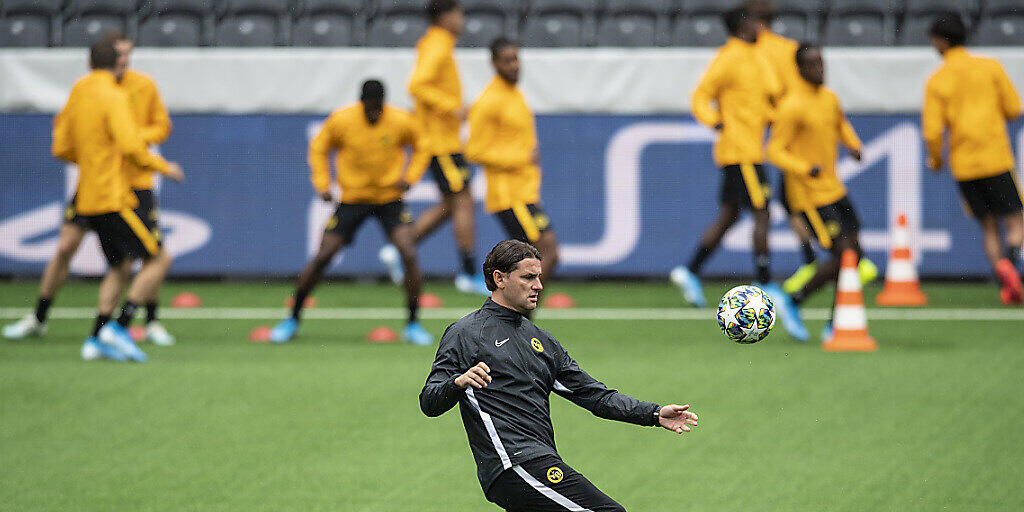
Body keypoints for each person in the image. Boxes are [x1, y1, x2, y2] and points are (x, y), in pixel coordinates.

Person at [420, 240, 699, 511]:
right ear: (499, 278)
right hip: (512, 464)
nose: (539, 285)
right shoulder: (465, 333)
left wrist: (653, 414)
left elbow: (594, 395)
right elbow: (429, 402)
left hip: (535, 460)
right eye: (528, 277)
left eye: (539, 277)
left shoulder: (541, 340)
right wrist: (457, 382)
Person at [3, 32, 177, 345]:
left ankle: (147, 322)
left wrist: (127, 135)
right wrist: (127, 149)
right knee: (125, 253)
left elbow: (161, 127)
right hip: (104, 186)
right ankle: (51, 318)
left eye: (128, 56)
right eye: (121, 55)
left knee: (140, 254)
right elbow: (102, 143)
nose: (125, 61)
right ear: (114, 58)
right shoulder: (97, 91)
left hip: (132, 184)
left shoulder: (141, 85)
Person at [269, 80, 433, 345]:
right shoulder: (342, 120)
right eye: (369, 109)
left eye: (378, 109)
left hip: (389, 198)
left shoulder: (400, 120)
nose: (374, 114)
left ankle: (413, 324)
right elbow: (319, 147)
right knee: (324, 254)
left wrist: (411, 177)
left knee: (409, 251)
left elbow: (422, 144)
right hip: (353, 198)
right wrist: (322, 184)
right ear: (361, 103)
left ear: (383, 103)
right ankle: (292, 318)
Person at [51, 37, 184, 361]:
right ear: (118, 62)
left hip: (86, 198)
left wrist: (93, 159)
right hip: (114, 197)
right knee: (158, 259)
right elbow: (131, 147)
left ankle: (96, 337)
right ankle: (120, 326)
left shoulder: (80, 91)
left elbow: (61, 147)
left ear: (90, 63)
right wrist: (163, 167)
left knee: (119, 266)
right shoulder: (115, 95)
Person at [670, 7, 783, 308]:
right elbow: (700, 95)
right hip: (741, 151)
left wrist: (774, 117)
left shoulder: (754, 56)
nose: (760, 25)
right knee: (763, 213)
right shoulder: (729, 57)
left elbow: (757, 103)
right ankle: (765, 280)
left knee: (730, 215)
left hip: (748, 148)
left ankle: (690, 271)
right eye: (754, 20)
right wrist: (714, 120)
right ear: (743, 25)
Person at [378, 0, 490, 296]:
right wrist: (452, 107)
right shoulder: (438, 44)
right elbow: (417, 85)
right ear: (446, 16)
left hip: (439, 140)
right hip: (441, 142)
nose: (462, 19)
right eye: (459, 13)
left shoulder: (437, 43)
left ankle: (400, 248)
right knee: (464, 201)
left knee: (449, 206)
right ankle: (467, 273)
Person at [923, 13, 1023, 305]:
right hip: (996, 158)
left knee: (988, 225)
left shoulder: (937, 80)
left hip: (964, 165)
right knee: (1016, 222)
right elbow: (1014, 107)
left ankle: (1002, 275)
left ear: (941, 42)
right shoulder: (990, 67)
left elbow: (932, 132)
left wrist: (936, 160)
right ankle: (1012, 262)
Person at [767, 43, 865, 341]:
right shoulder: (792, 105)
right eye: (812, 64)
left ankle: (837, 321)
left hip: (834, 188)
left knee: (856, 254)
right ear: (799, 69)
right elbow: (774, 149)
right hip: (808, 194)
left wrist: (853, 144)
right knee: (844, 254)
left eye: (821, 63)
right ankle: (794, 300)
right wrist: (803, 167)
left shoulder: (829, 99)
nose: (819, 69)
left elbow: (840, 126)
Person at [465, 38, 559, 284]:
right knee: (547, 253)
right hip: (509, 194)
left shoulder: (515, 94)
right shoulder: (488, 101)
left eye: (516, 59)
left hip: (524, 191)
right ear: (494, 63)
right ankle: (515, 319)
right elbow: (474, 150)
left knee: (531, 261)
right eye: (507, 60)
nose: (514, 65)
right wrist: (520, 158)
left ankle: (514, 320)